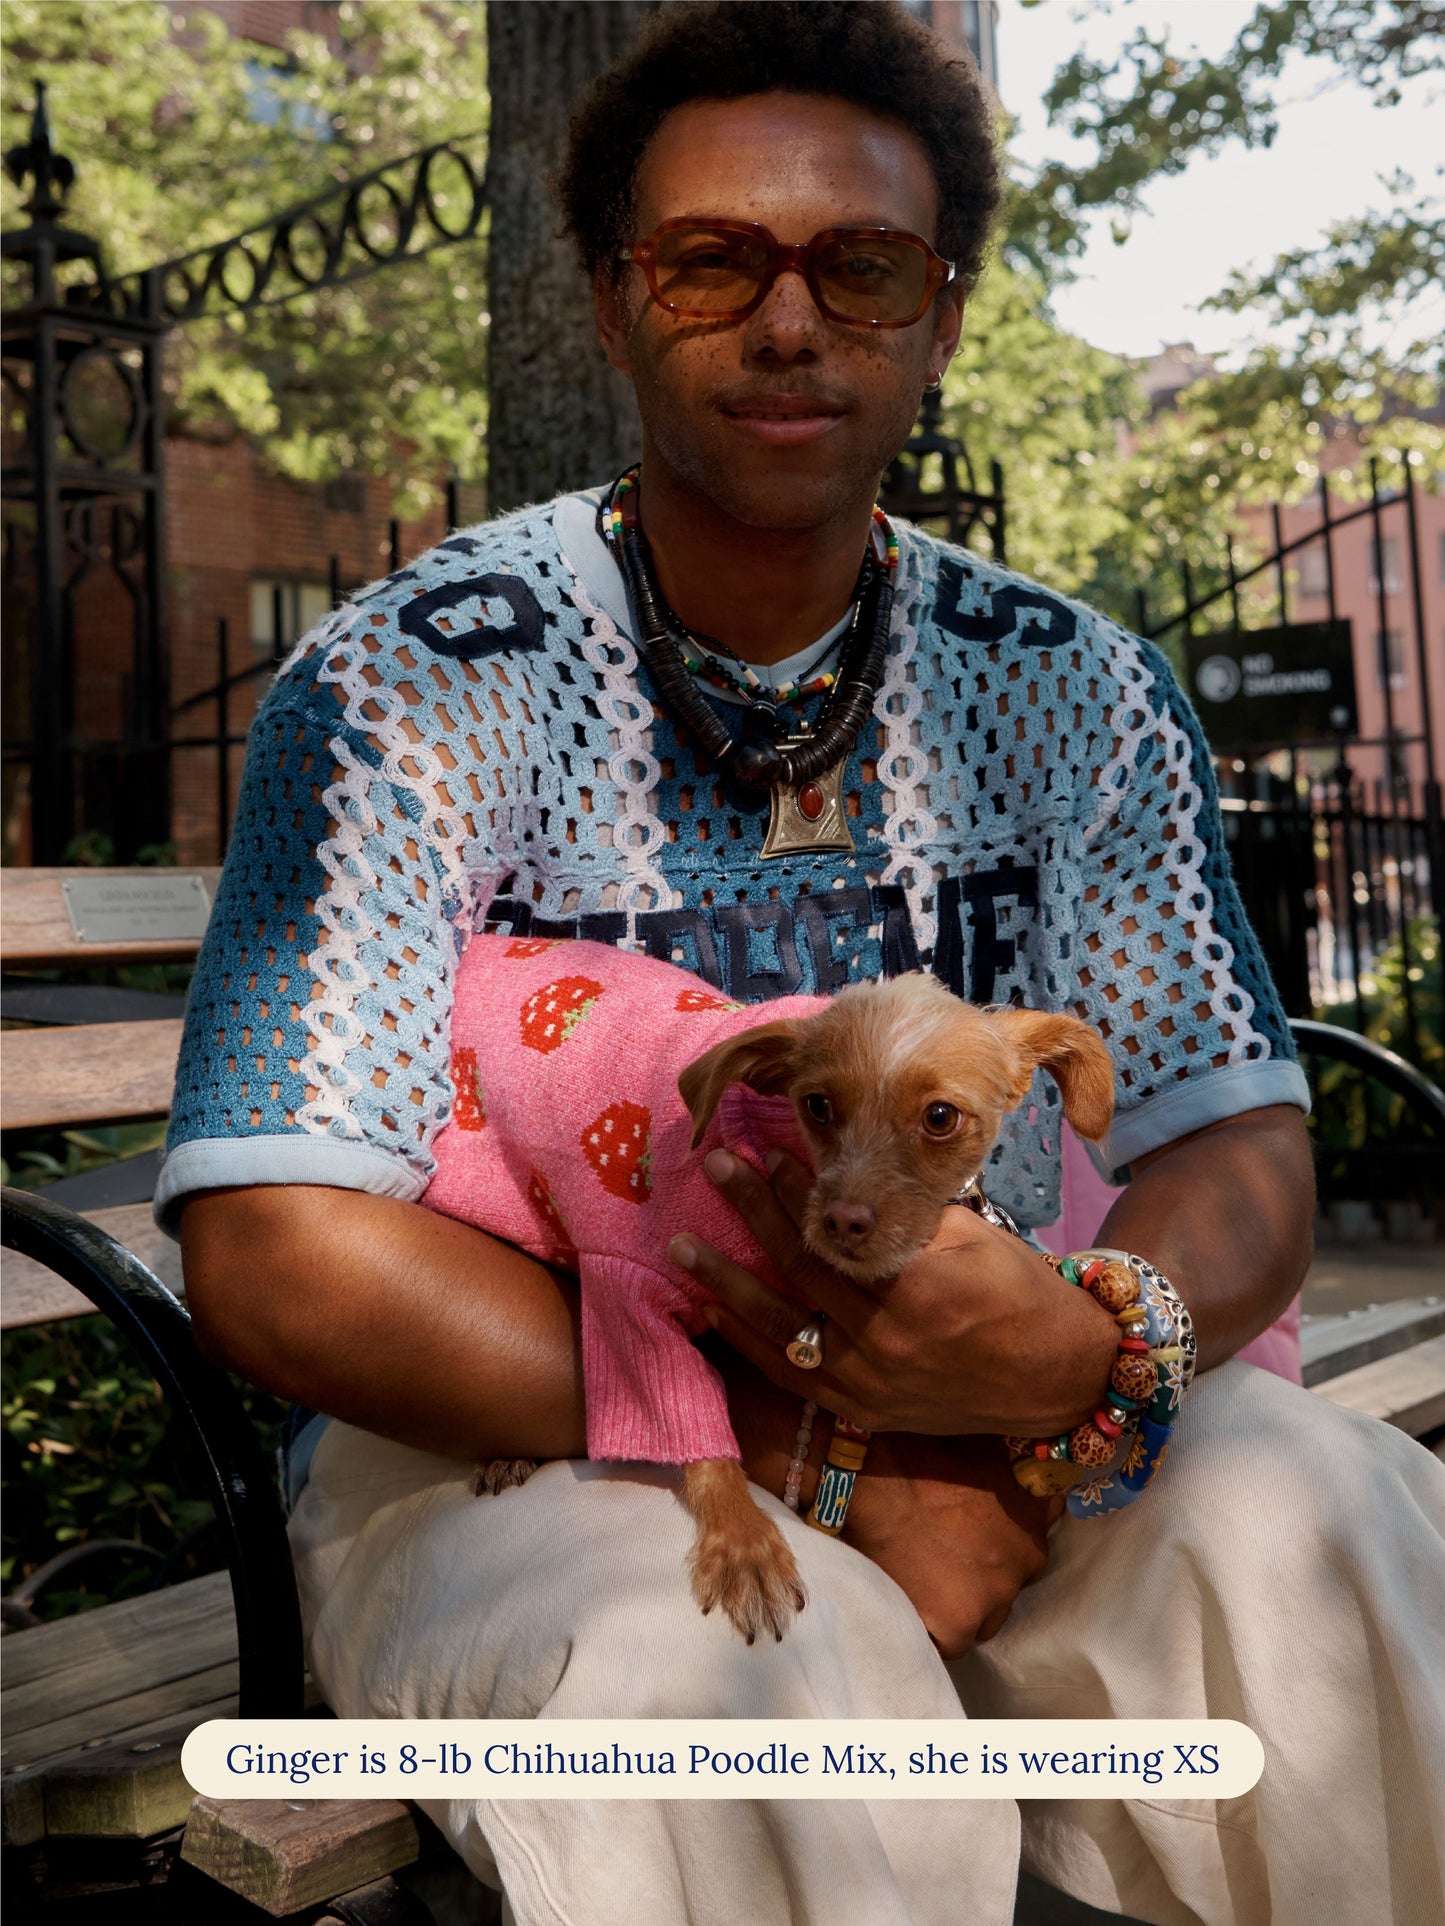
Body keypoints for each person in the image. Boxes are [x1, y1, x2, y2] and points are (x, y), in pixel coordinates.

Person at [166, 6, 1445, 1922]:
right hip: (517, 1442)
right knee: (734, 1681)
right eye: (709, 261)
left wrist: (1092, 1356)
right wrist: (802, 1435)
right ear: (611, 305)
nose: (788, 323)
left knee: (1315, 1517)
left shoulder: (1070, 689)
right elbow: (276, 1246)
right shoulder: (409, 681)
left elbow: (1237, 1134)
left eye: (860, 268)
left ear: (936, 317)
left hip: (1005, 1399)